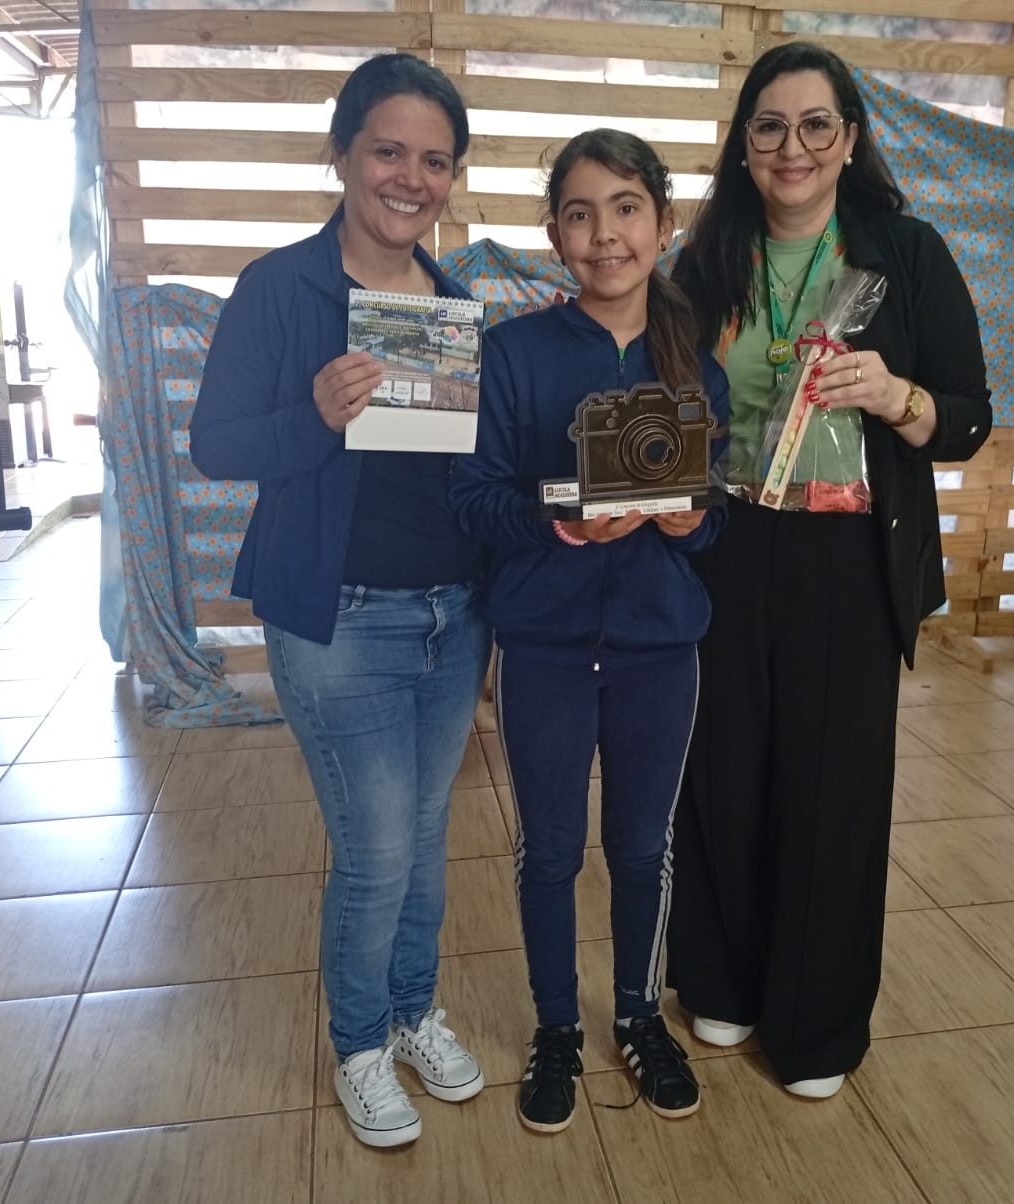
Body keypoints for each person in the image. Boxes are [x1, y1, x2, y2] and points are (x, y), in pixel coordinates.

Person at [667, 41, 993, 1098]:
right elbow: (658, 397)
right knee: (720, 769)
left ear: (849, 140)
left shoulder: (905, 252)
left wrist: (897, 396)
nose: (792, 146)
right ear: (743, 145)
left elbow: (968, 417)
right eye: (769, 125)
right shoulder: (704, 260)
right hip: (721, 546)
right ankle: (720, 977)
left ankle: (816, 1025)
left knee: (831, 787)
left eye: (816, 125)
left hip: (848, 555)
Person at [188, 54, 490, 1149]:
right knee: (376, 849)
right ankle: (360, 1042)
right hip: (339, 617)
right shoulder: (282, 289)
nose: (411, 178)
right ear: (343, 154)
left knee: (425, 834)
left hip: (452, 615)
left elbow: (465, 473)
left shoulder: (453, 307)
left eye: (434, 161)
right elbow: (215, 444)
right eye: (388, 151)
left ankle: (413, 1013)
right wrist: (313, 414)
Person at [450, 129, 729, 1134]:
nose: (604, 234)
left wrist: (692, 524)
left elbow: (715, 519)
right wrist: (559, 520)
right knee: (551, 852)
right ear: (555, 234)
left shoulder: (697, 368)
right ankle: (557, 1027)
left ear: (662, 223)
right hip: (548, 646)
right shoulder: (513, 354)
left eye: (625, 208)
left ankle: (638, 1016)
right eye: (579, 213)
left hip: (659, 649)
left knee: (644, 847)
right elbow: (473, 499)